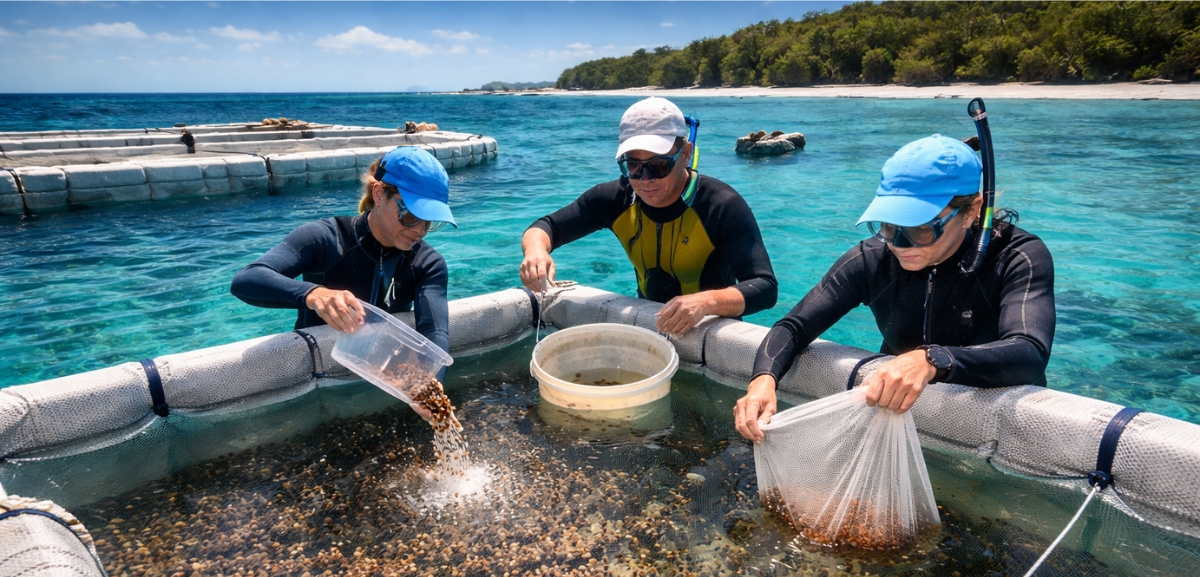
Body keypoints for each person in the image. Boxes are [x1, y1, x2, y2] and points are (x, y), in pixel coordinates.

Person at [734, 134, 1055, 442]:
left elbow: (1029, 351)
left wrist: (931, 360)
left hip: (992, 427)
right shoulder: (874, 258)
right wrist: (763, 381)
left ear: (971, 211)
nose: (900, 244)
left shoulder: (1017, 257)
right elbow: (793, 327)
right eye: (889, 225)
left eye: (921, 228)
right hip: (898, 416)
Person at [519, 97, 777, 335]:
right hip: (648, 328)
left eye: (659, 165)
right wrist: (535, 253)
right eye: (633, 166)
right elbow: (547, 226)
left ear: (685, 155)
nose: (646, 180)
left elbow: (764, 287)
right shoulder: (617, 197)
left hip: (713, 333)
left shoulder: (721, 205)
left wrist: (706, 302)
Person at [230, 146, 455, 419]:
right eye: (410, 216)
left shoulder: (428, 264)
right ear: (379, 194)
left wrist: (429, 388)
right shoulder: (325, 239)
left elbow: (435, 332)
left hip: (383, 392)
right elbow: (247, 279)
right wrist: (313, 293)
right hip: (319, 388)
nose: (419, 230)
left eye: (429, 221)